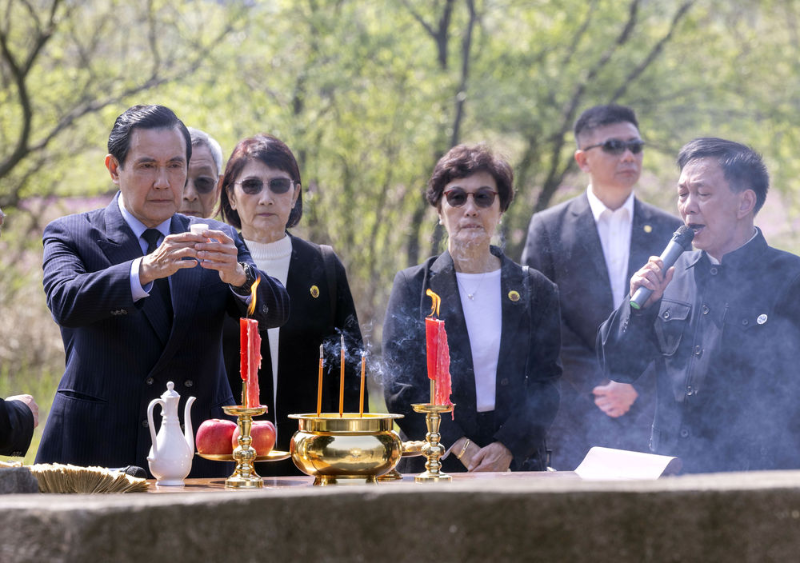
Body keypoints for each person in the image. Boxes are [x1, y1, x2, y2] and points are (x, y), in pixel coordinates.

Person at [36, 105, 290, 477]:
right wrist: (144, 269)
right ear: (113, 168)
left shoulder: (215, 236)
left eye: (175, 166)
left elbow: (276, 310)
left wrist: (238, 276)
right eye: (147, 166)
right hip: (97, 442)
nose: (163, 181)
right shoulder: (72, 233)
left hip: (201, 444)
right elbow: (65, 300)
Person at [598, 137, 800, 473]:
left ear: (744, 202)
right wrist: (637, 308)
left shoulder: (791, 279)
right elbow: (619, 367)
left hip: (758, 478)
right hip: (674, 473)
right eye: (683, 194)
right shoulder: (670, 276)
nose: (688, 206)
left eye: (702, 193)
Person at [383, 144, 561, 473]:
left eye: (483, 197)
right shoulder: (413, 286)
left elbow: (546, 383)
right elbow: (400, 386)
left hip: (515, 462)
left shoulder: (535, 289)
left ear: (501, 208)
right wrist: (456, 444)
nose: (470, 209)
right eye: (456, 197)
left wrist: (508, 447)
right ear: (439, 210)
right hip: (434, 461)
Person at [521, 104, 681, 470]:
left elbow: (675, 318)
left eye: (636, 146)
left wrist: (632, 383)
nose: (628, 155)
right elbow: (540, 317)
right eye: (612, 146)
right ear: (583, 159)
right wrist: (602, 381)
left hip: (648, 411)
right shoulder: (549, 226)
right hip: (575, 408)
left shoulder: (668, 231)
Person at [220, 134, 362, 475]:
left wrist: (356, 453)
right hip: (226, 458)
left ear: (295, 194)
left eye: (279, 185)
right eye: (251, 185)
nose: (266, 198)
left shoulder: (324, 265)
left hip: (312, 459)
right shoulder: (215, 263)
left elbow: (352, 368)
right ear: (231, 196)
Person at [179, 127, 224, 218]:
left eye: (203, 182)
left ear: (219, 188)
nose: (190, 195)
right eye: (179, 181)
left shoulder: (228, 232)